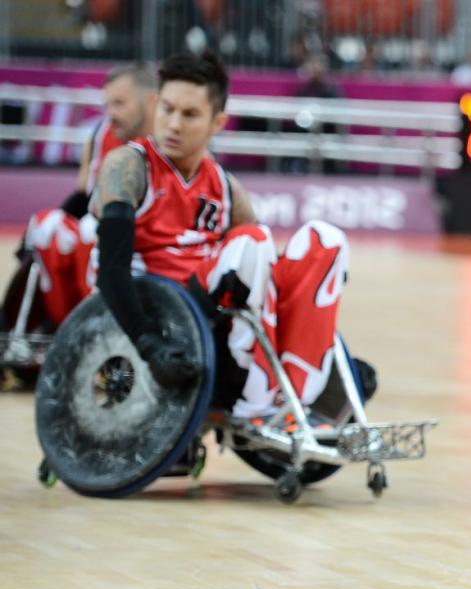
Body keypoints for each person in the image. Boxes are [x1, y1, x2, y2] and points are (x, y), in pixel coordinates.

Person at [91, 49, 349, 420]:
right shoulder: (128, 166)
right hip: (165, 309)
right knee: (253, 241)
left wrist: (347, 368)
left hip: (220, 314)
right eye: (167, 109)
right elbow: (110, 270)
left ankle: (308, 383)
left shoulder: (226, 188)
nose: (174, 124)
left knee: (326, 240)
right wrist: (148, 344)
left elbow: (266, 283)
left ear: (217, 122)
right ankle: (257, 399)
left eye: (190, 114)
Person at [19, 64, 157, 328]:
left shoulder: (172, 140)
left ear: (150, 102)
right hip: (105, 228)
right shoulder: (103, 135)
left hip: (149, 240)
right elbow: (85, 193)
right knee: (48, 226)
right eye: (108, 105)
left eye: (119, 104)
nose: (110, 114)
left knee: (90, 231)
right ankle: (59, 326)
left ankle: (95, 325)